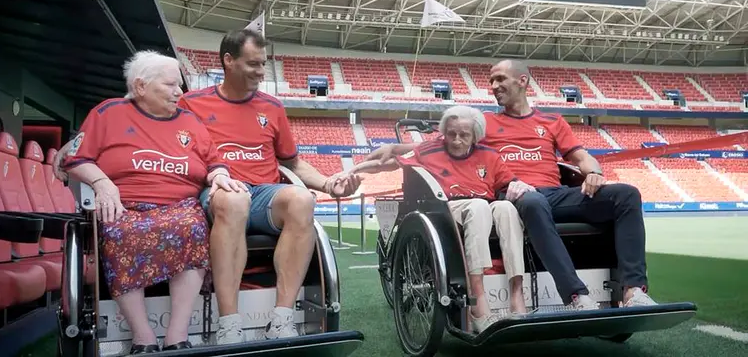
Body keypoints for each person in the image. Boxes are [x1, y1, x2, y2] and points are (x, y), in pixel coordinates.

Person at [365, 59, 657, 311]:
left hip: (556, 195)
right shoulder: (485, 123)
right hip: (513, 194)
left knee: (627, 195)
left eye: (500, 79)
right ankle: (575, 294)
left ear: (522, 81)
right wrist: (394, 149)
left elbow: (581, 158)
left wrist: (594, 172)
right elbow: (440, 146)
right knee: (532, 200)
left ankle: (634, 291)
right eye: (491, 81)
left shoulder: (552, 121)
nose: (493, 86)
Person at [175, 29, 361, 344]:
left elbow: (292, 163)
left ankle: (281, 319)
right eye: (253, 64)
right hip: (218, 192)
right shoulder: (191, 103)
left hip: (263, 195)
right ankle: (229, 325)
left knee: (302, 199)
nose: (261, 72)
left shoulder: (272, 106)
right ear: (228, 61)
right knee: (235, 200)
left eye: (263, 64)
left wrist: (329, 184)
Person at [61, 51, 245, 354]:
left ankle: (177, 335)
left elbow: (214, 162)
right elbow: (76, 159)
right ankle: (142, 336)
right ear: (141, 86)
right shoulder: (108, 113)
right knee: (119, 230)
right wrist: (102, 183)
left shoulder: (189, 120)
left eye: (180, 85)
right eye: (171, 85)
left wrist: (220, 176)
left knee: (192, 226)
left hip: (180, 205)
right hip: (126, 204)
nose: (179, 92)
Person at [351, 105, 530, 332]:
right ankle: (478, 300)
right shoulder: (428, 150)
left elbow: (511, 182)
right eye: (451, 134)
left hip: (485, 205)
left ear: (475, 136)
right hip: (450, 208)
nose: (456, 140)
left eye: (464, 135)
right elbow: (386, 165)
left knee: (506, 208)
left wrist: (522, 186)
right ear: (444, 132)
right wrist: (351, 171)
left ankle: (517, 293)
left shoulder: (489, 155)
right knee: (478, 207)